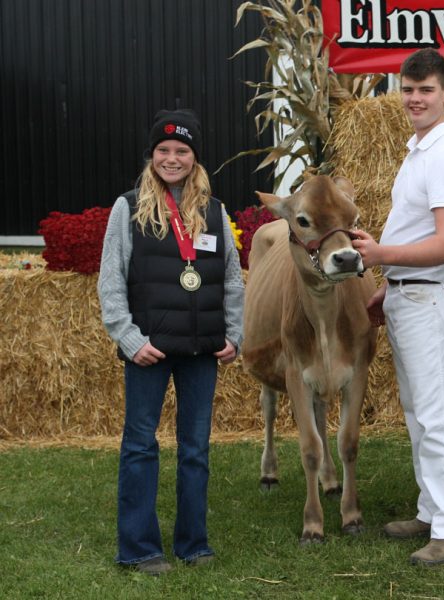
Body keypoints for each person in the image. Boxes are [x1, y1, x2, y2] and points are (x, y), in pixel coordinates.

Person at [98, 109, 244, 575]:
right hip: (148, 350)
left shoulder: (216, 212)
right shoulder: (128, 208)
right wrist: (127, 337)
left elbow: (234, 279)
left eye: (182, 150)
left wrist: (234, 334)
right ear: (152, 156)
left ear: (195, 157)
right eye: (163, 150)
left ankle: (193, 544)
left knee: (195, 448)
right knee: (140, 445)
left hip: (201, 350)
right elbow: (111, 280)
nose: (172, 158)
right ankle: (140, 548)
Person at [350, 48, 444, 567]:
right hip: (411, 293)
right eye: (408, 89)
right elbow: (424, 235)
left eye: (426, 90)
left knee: (438, 414)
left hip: (430, 298)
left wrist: (382, 257)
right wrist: (391, 281)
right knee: (419, 414)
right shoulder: (420, 150)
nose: (415, 98)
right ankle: (433, 510)